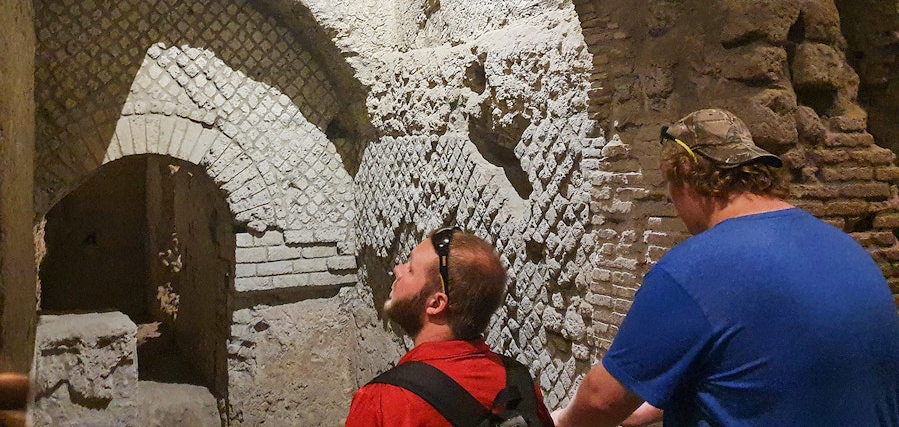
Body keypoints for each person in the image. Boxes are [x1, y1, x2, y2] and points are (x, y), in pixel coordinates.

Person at [552, 108, 899, 427]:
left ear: (685, 177)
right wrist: (653, 404)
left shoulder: (693, 271)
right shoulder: (844, 248)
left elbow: (600, 401)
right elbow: (767, 370)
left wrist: (561, 422)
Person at [346, 227, 554, 426]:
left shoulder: (383, 401)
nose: (397, 270)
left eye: (410, 269)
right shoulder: (520, 386)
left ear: (436, 304)